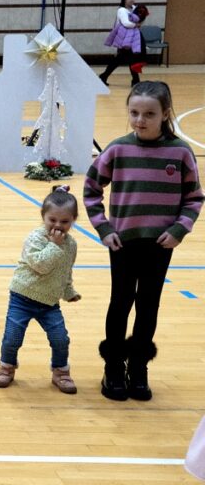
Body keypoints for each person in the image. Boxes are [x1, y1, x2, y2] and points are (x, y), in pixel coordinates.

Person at [85, 81, 203, 402]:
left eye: (149, 114)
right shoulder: (117, 149)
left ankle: (138, 366)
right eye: (134, 112)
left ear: (165, 114)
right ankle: (113, 367)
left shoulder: (180, 152)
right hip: (122, 244)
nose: (140, 120)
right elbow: (92, 189)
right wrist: (104, 228)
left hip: (160, 245)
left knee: (148, 305)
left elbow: (194, 197)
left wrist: (179, 229)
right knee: (120, 303)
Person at [0, 186, 81, 394]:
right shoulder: (35, 238)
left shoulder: (71, 245)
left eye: (64, 221)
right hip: (22, 297)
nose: (58, 225)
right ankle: (6, 367)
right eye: (52, 220)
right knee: (12, 338)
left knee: (61, 339)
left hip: (49, 302)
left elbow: (65, 270)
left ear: (73, 220)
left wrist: (68, 291)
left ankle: (61, 372)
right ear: (43, 217)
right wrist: (54, 245)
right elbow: (41, 265)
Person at [99, 0, 142, 88]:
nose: (132, 0)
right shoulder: (122, 10)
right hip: (124, 38)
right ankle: (135, 81)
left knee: (121, 59)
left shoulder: (134, 9)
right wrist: (136, 25)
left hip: (132, 37)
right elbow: (125, 23)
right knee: (128, 59)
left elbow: (139, 20)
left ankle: (104, 76)